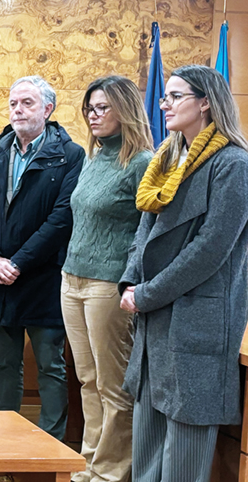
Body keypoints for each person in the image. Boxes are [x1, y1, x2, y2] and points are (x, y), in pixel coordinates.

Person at [119, 65, 248, 481]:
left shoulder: (233, 164)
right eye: (165, 96)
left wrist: (148, 292)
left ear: (206, 102)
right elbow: (144, 230)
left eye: (176, 96)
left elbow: (210, 249)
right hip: (154, 316)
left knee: (182, 464)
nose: (165, 104)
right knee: (147, 454)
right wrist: (130, 282)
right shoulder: (167, 158)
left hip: (198, 318)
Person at [0, 75, 84, 440]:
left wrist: (18, 262)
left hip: (43, 278)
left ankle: (51, 445)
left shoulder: (70, 155)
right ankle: (3, 441)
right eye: (14, 103)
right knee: (5, 364)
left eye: (27, 103)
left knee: (50, 366)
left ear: (48, 109)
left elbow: (62, 218)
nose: (18, 110)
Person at [61, 76, 154, 481]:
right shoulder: (93, 157)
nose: (93, 116)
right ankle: (89, 466)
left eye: (102, 108)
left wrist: (132, 281)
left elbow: (148, 232)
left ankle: (113, 473)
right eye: (89, 109)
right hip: (72, 279)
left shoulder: (142, 163)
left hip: (108, 285)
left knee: (113, 387)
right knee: (87, 380)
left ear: (126, 110)